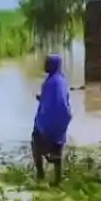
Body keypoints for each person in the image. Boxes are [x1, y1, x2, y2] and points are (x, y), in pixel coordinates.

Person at [32, 53, 72, 185]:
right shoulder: (62, 81)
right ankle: (58, 180)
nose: (45, 65)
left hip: (46, 122)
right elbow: (62, 101)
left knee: (36, 143)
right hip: (60, 120)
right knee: (57, 148)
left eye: (47, 63)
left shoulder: (49, 83)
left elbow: (48, 104)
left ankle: (40, 174)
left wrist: (41, 99)